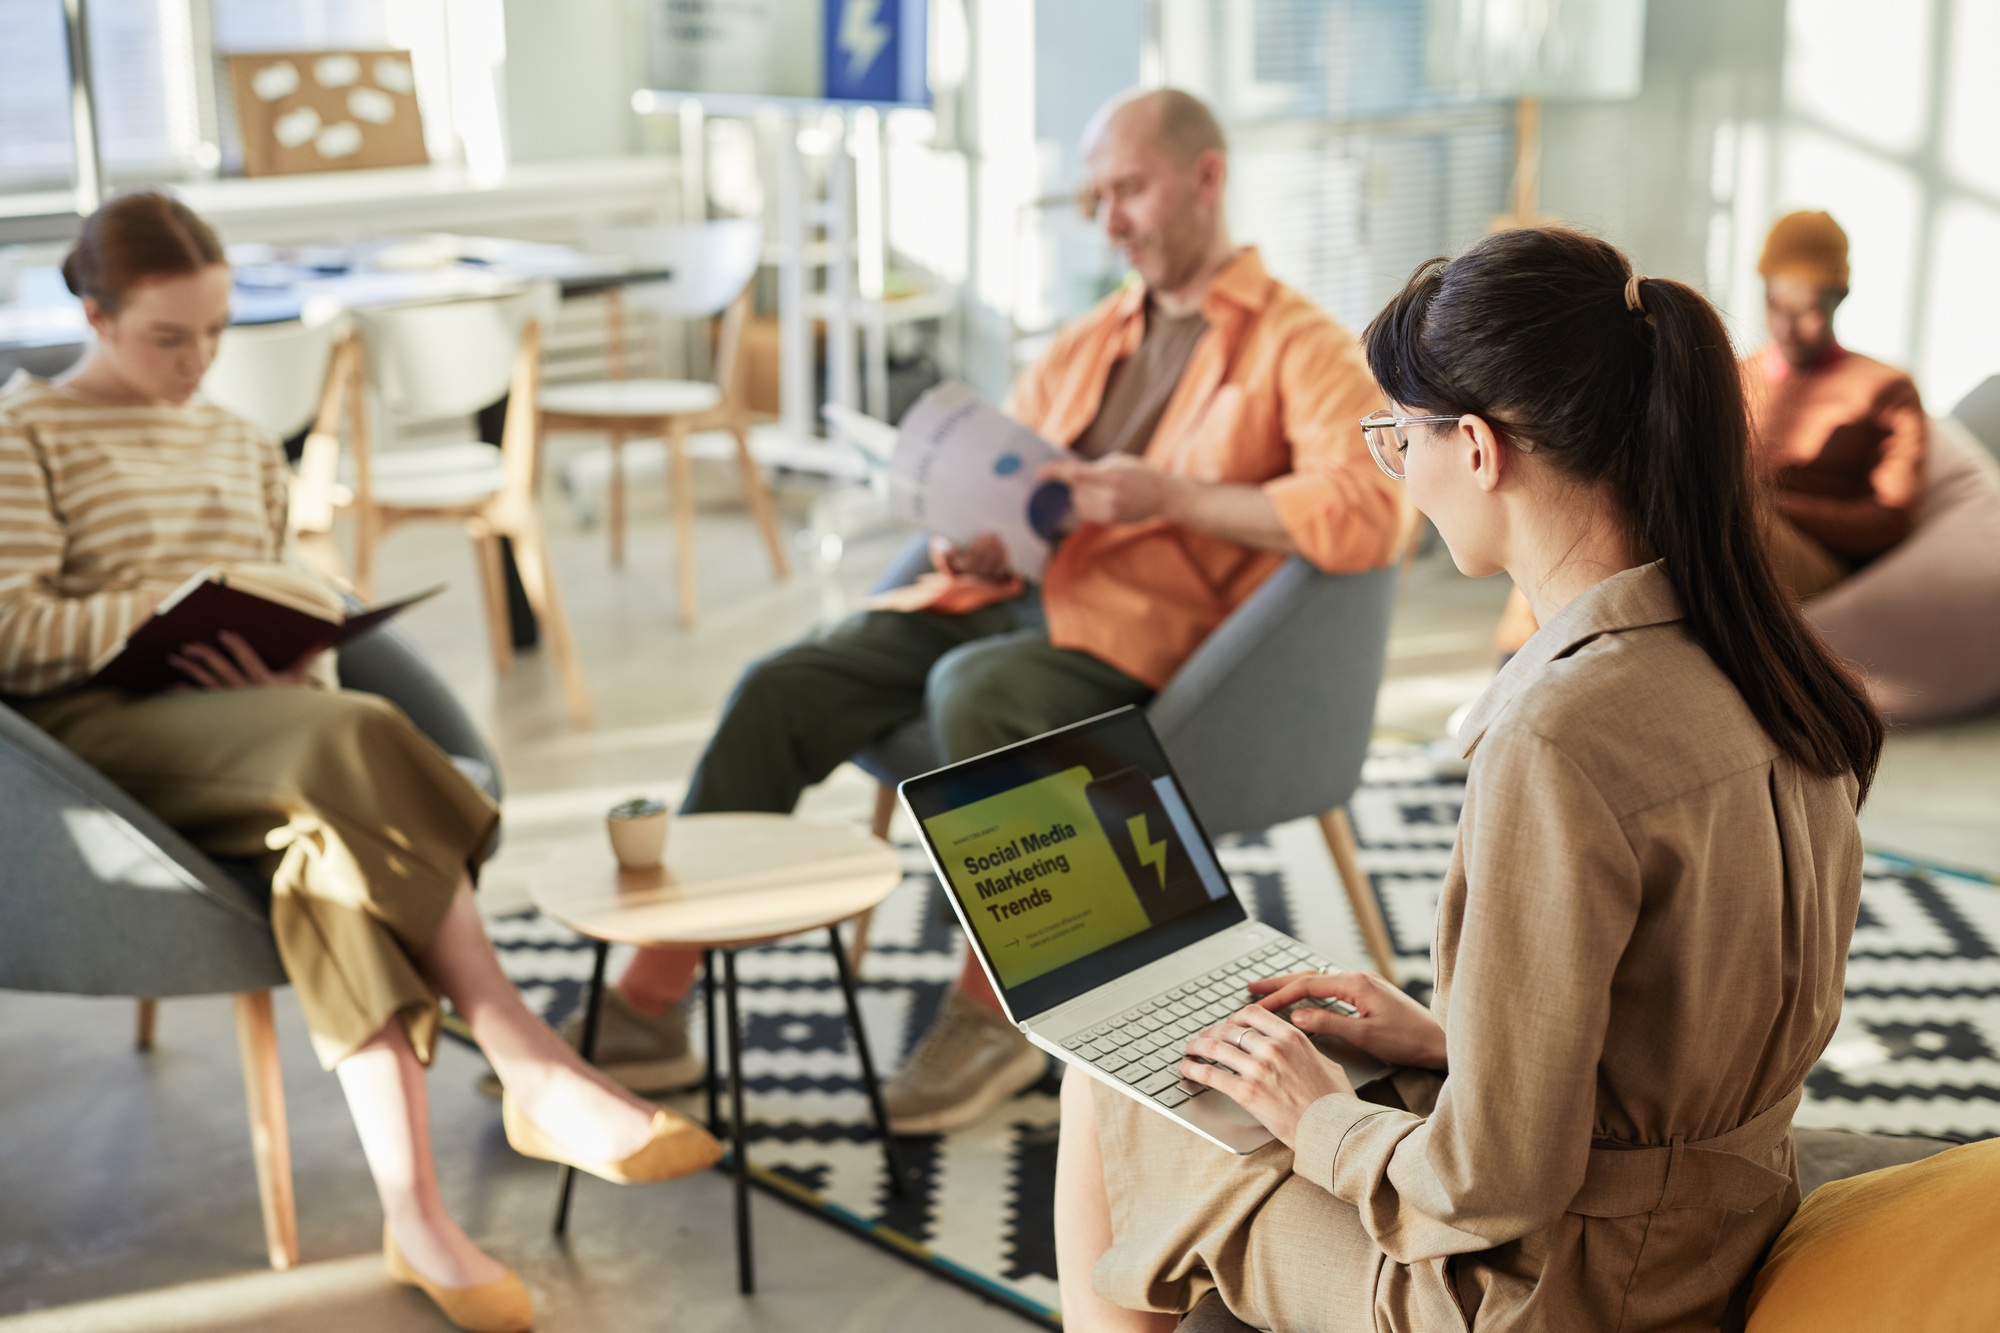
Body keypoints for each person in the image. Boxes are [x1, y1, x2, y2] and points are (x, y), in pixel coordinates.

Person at [1052, 227, 1883, 1332]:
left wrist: (1318, 1121)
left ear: (1480, 450)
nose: (1398, 468)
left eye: (1398, 436)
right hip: (1714, 1224)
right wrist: (1446, 1039)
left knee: (1113, 1092)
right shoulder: (1758, 656)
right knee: (1299, 1070)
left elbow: (1492, 1186)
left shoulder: (1555, 732)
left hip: (1550, 1291)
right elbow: (1675, 1028)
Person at [583, 88, 1404, 1135]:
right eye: (1094, 196)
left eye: (1129, 190)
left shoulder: (1301, 345)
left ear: (1205, 178)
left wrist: (1172, 497)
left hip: (1156, 655)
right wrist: (965, 532)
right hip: (1005, 596)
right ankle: (648, 1003)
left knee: (974, 688)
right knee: (783, 684)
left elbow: (1370, 511)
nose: (1108, 219)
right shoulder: (1090, 336)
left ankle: (1004, 1015)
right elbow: (1015, 480)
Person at [0, 192, 720, 1333]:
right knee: (357, 745)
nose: (198, 363)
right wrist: (156, 613)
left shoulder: (239, 441)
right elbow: (14, 634)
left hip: (258, 735)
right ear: (91, 313)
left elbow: (282, 598)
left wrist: (288, 681)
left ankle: (417, 1214)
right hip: (92, 750)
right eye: (166, 337)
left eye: (217, 333)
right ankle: (520, 1045)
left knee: (321, 850)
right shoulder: (23, 435)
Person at [1491, 208, 1927, 657]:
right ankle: (1521, 663)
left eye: (1808, 309)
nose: (1787, 326)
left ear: (1840, 298)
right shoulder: (1738, 374)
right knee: (1582, 497)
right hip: (1734, 516)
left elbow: (1889, 519)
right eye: (1776, 305)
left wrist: (1765, 498)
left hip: (1811, 555)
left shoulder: (1885, 387)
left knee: (1721, 512)